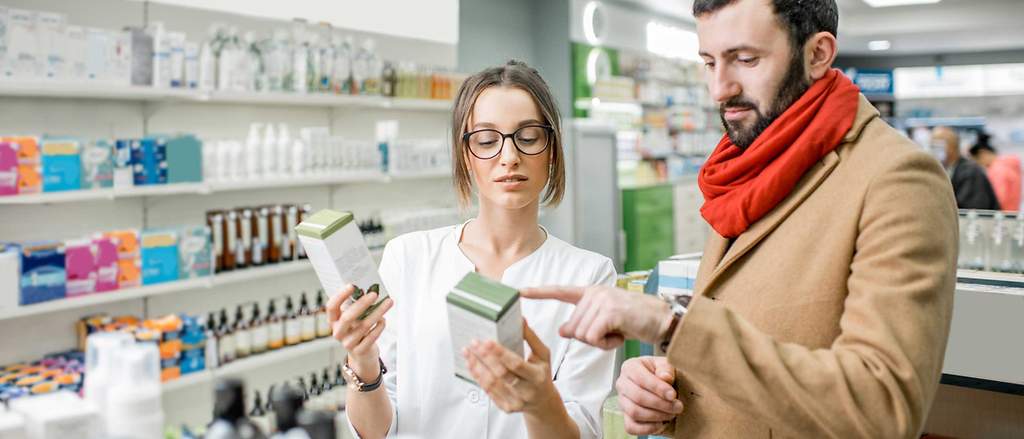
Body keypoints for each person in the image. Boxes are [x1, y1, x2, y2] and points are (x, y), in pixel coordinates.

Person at [523, 0, 958, 438]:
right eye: (708, 62)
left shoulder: (897, 180)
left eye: (745, 59)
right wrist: (663, 390)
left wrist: (672, 324)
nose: (719, 88)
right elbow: (735, 349)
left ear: (818, 54)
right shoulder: (741, 167)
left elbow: (882, 410)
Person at [327, 60, 617, 439]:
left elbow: (583, 429)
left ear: (552, 150)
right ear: (466, 155)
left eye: (528, 137)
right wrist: (363, 361)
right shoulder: (409, 257)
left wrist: (539, 401)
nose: (509, 157)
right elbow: (378, 430)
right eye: (486, 140)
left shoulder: (590, 276)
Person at [932, 126, 1000, 210]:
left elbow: (970, 210)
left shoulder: (971, 172)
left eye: (936, 146)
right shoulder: (949, 169)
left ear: (951, 147)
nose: (932, 150)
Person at [969, 132, 1021, 211]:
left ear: (982, 153)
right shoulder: (1009, 166)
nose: (978, 164)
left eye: (976, 160)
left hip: (1001, 218)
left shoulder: (997, 170)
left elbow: (998, 199)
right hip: (1013, 214)